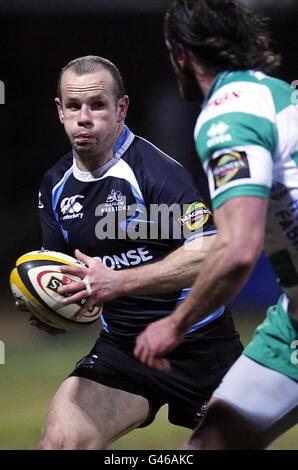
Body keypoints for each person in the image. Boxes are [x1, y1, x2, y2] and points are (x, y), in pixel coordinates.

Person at [27, 55, 242, 450]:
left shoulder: (154, 173)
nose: (84, 117)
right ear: (60, 111)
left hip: (199, 346)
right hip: (122, 351)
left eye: (98, 105)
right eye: (74, 106)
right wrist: (54, 311)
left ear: (121, 108)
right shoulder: (55, 185)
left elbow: (213, 249)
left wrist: (119, 282)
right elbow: (63, 273)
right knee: (59, 444)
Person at [133, 0, 298, 450]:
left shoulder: (227, 114)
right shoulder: (277, 93)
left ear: (181, 54)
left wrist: (175, 325)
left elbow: (239, 249)